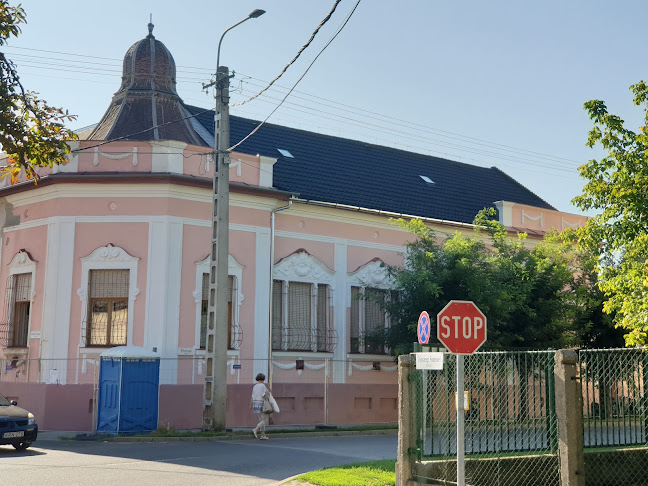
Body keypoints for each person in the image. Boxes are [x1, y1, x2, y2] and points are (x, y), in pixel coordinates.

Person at [250, 372, 270, 440]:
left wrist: (250, 405)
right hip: (262, 403)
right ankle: (255, 429)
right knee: (265, 420)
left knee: (261, 419)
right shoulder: (263, 386)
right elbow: (265, 395)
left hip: (255, 404)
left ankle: (263, 435)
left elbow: (252, 396)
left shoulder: (254, 386)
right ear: (263, 379)